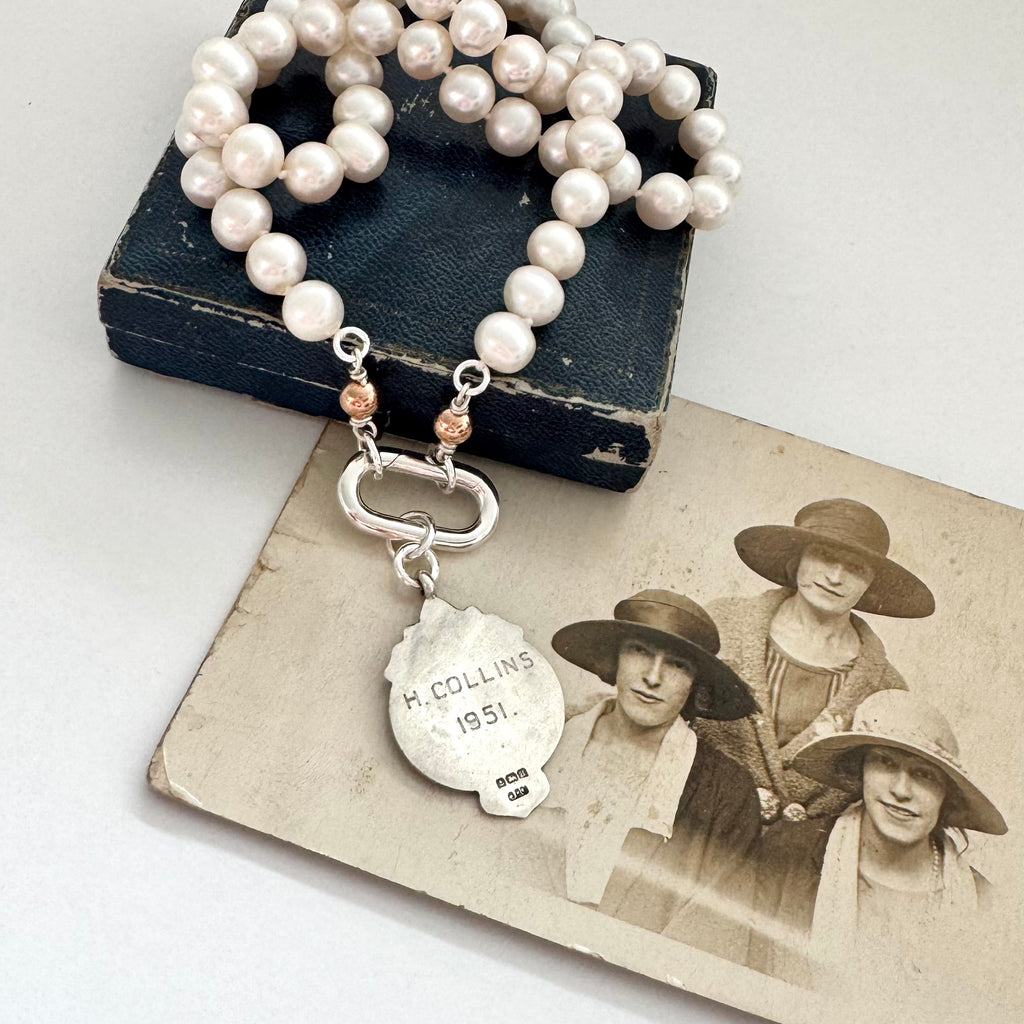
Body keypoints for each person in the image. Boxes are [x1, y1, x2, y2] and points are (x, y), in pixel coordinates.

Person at [509, 590, 761, 962]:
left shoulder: (728, 792)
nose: (653, 677)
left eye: (677, 665)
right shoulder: (539, 742)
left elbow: (714, 936)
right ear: (616, 658)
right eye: (640, 651)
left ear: (696, 683)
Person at [694, 498, 935, 823]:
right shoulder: (723, 624)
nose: (835, 577)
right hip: (691, 824)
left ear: (870, 583)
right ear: (798, 558)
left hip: (805, 849)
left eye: (855, 568)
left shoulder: (885, 690)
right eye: (824, 556)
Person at [749, 689, 1007, 988]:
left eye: (924, 775)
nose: (901, 790)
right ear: (861, 771)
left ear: (946, 795)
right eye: (885, 762)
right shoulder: (790, 852)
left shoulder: (981, 902)